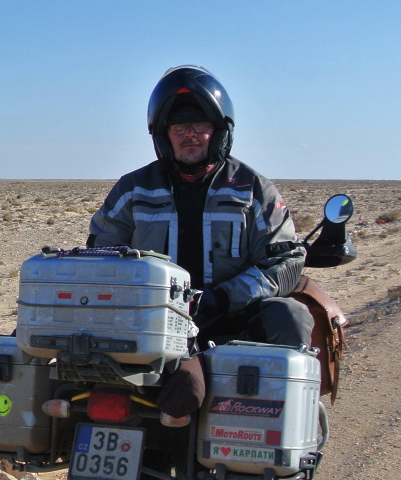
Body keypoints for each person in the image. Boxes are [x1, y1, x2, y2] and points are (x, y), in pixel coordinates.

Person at [87, 65, 313, 349]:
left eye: (200, 126)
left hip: (232, 320)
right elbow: (100, 257)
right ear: (163, 135)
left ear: (219, 130)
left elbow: (283, 261)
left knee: (290, 316)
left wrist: (220, 299)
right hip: (148, 321)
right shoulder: (132, 189)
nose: (189, 134)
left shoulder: (253, 189)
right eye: (178, 128)